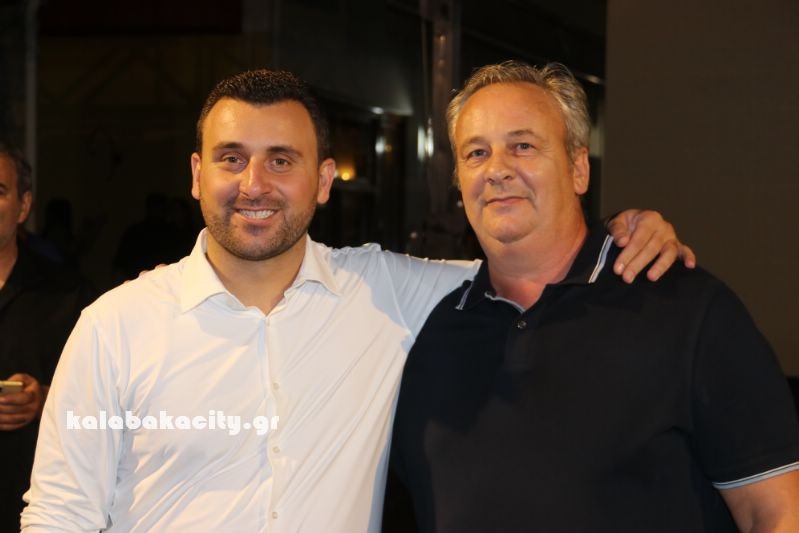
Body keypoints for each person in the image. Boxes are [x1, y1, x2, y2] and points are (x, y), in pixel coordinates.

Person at [22, 69, 689, 532]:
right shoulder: (115, 326)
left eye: (281, 160)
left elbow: (537, 261)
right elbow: (59, 515)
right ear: (197, 175)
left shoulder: (386, 293)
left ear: (322, 181)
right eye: (231, 158)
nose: (253, 183)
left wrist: (621, 234)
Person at [390, 61, 799, 532]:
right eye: (476, 153)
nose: (497, 169)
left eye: (523, 146)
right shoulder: (426, 332)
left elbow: (776, 513)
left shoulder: (685, 308)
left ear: (579, 168)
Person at [0, 141, 94, 530]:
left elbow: (102, 401)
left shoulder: (70, 294)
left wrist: (45, 397)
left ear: (23, 206)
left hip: (33, 503)